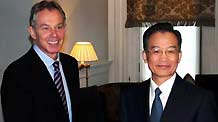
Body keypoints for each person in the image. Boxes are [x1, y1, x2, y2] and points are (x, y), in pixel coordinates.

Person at [120, 23, 218, 122]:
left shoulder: (201, 99)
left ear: (179, 56)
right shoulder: (130, 97)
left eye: (170, 51)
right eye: (156, 51)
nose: (163, 58)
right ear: (145, 56)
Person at [1, 1, 79, 122]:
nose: (54, 35)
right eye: (45, 28)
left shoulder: (71, 64)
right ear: (32, 32)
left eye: (59, 27)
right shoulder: (16, 74)